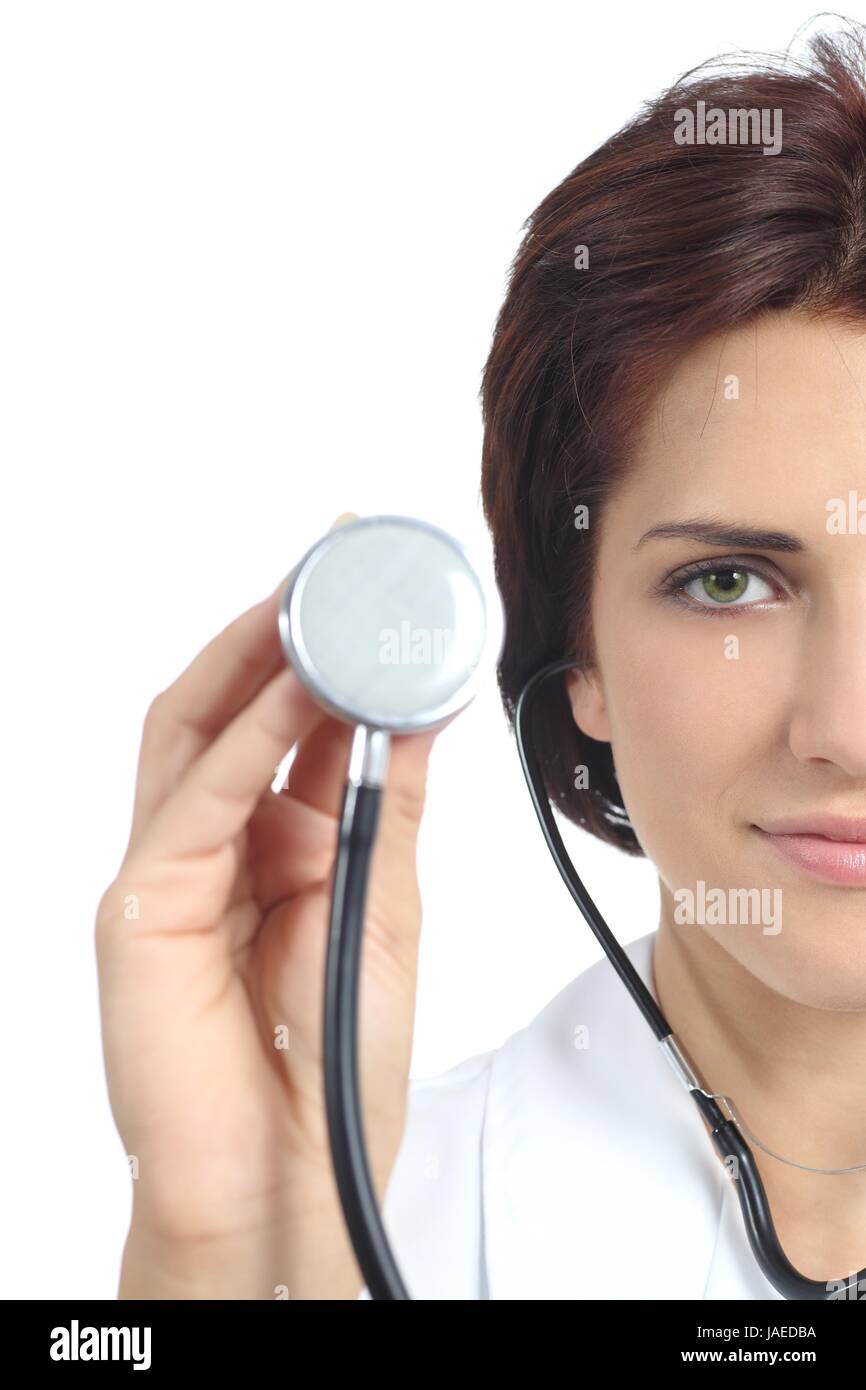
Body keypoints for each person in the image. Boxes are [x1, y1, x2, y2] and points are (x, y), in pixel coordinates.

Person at [95, 20, 866, 1300]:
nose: (845, 723)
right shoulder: (377, 1229)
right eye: (726, 581)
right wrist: (227, 1261)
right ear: (574, 654)